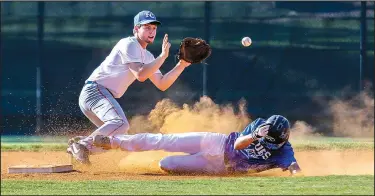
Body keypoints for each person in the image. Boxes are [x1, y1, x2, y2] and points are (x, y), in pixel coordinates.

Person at [67, 10, 192, 164]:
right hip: (95, 91)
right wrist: (163, 56)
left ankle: (80, 143)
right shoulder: (129, 44)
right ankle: (83, 145)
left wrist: (181, 65)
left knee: (116, 137)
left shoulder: (147, 56)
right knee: (120, 123)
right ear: (136, 29)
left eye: (153, 28)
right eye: (146, 27)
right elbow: (140, 74)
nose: (151, 31)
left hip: (99, 95)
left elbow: (162, 83)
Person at [92, 115, 302, 175]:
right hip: (216, 142)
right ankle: (113, 142)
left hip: (218, 167)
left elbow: (294, 168)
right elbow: (238, 145)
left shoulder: (285, 151)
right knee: (164, 140)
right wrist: (255, 135)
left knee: (168, 164)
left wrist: (296, 173)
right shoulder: (259, 126)